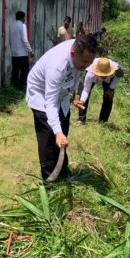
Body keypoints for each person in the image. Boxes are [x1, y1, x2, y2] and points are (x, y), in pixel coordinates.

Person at [26, 34, 99, 180]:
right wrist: (56, 132)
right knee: (48, 139)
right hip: (42, 95)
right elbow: (50, 103)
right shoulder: (57, 66)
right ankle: (50, 179)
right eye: (85, 62)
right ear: (73, 54)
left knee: (63, 133)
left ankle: (62, 170)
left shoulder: (80, 50)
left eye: (90, 62)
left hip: (62, 94)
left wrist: (72, 98)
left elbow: (71, 78)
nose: (87, 66)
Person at [77, 57, 123, 125]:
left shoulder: (116, 70)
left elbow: (118, 76)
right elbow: (86, 90)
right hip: (93, 76)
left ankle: (103, 121)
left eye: (105, 74)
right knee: (82, 96)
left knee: (109, 96)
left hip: (110, 79)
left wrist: (111, 88)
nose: (103, 76)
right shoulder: (90, 74)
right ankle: (81, 118)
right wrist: (82, 100)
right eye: (102, 74)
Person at [9, 10, 33, 91]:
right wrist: (30, 50)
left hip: (14, 53)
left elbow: (10, 40)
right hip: (22, 54)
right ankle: (20, 88)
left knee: (15, 71)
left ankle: (13, 87)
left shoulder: (12, 26)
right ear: (23, 18)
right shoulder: (22, 26)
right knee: (25, 71)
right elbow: (24, 40)